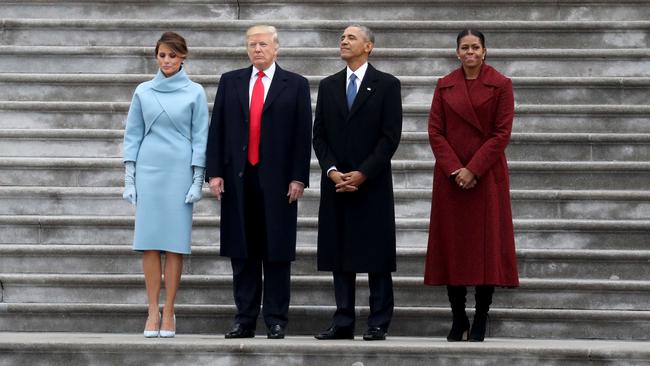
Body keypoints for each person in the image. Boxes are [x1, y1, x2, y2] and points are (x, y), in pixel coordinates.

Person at [205, 25, 312, 340]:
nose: (257, 49)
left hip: (279, 182)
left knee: (276, 252)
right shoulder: (231, 81)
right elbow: (218, 130)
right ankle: (245, 319)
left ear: (276, 48)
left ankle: (276, 319)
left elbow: (301, 135)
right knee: (243, 252)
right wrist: (215, 172)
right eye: (252, 44)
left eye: (263, 44)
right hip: (239, 179)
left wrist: (298, 177)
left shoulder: (295, 84)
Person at [424, 28, 519, 342]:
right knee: (453, 247)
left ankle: (480, 317)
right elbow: (435, 131)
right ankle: (457, 317)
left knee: (486, 249)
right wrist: (455, 169)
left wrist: (473, 169)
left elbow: (501, 134)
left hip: (486, 176)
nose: (470, 53)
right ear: (457, 52)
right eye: (464, 48)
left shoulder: (501, 84)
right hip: (451, 179)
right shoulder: (444, 85)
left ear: (484, 51)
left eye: (475, 47)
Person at [312, 25, 402, 341]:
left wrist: (364, 173)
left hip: (372, 183)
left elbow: (390, 137)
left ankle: (378, 321)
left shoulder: (387, 85)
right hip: (337, 183)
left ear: (369, 46)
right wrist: (332, 170)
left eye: (351, 37)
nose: (344, 41)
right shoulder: (329, 85)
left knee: (376, 255)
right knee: (340, 254)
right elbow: (319, 135)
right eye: (342, 37)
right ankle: (343, 320)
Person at [122, 31, 209, 338]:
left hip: (180, 170)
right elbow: (132, 134)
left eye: (173, 55)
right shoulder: (143, 91)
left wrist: (198, 179)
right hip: (149, 170)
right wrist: (129, 177)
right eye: (162, 55)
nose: (167, 61)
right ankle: (151, 311)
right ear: (155, 57)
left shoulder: (195, 92)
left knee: (174, 246)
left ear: (183, 56)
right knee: (149, 243)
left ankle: (169, 311)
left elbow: (201, 136)